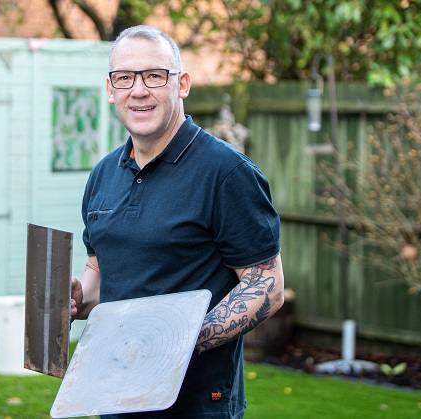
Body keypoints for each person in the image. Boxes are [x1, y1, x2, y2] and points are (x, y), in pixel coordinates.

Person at [70, 25, 284, 419]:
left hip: (196, 404)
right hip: (114, 396)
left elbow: (265, 288)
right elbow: (101, 273)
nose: (138, 90)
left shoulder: (226, 172)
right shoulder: (103, 174)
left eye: (154, 75)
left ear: (181, 84)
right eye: (125, 77)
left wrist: (180, 338)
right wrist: (78, 297)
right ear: (110, 89)